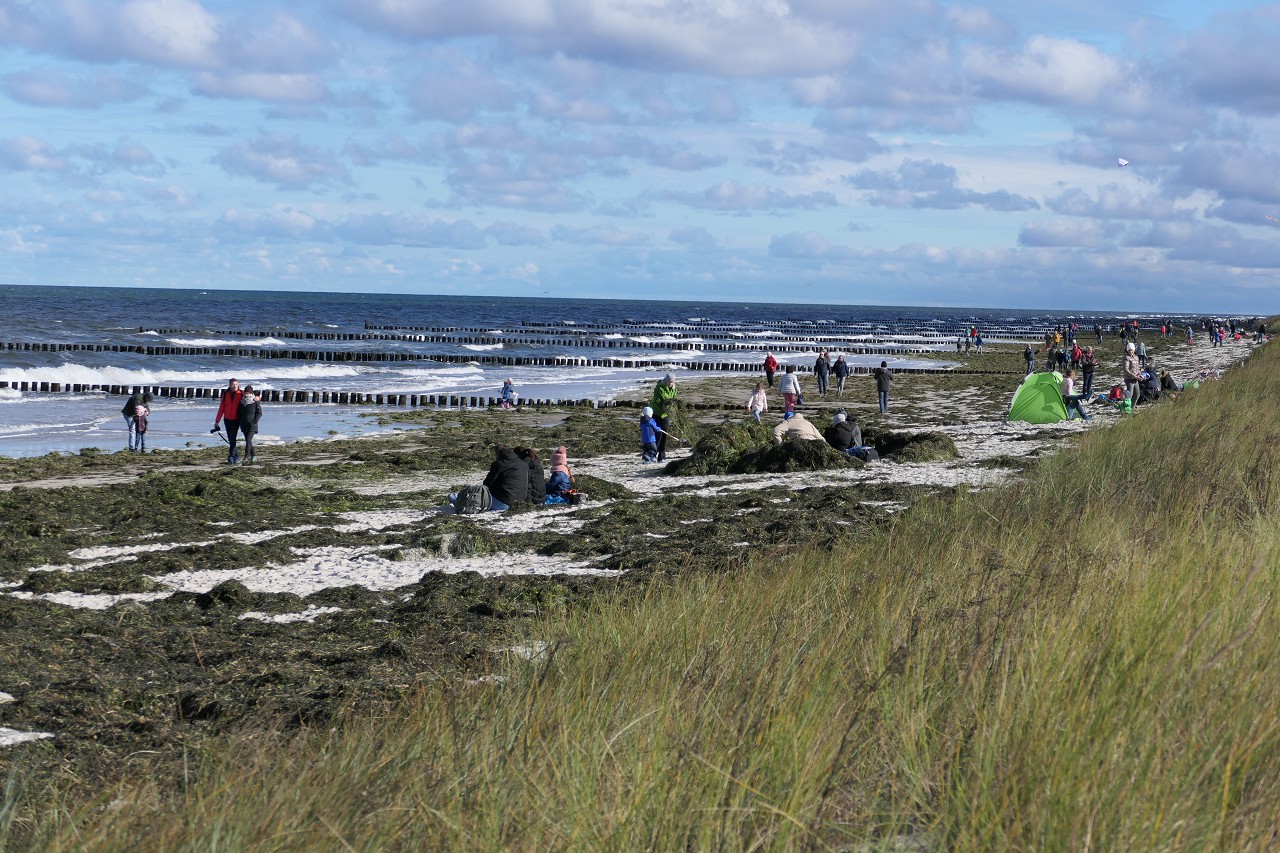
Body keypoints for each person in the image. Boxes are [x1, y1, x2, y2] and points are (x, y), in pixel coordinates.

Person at [213, 378, 243, 464]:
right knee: (231, 438)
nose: (235, 386)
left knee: (232, 437)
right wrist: (217, 421)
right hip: (227, 419)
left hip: (236, 420)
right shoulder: (226, 394)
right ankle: (236, 455)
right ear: (230, 385)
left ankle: (231, 456)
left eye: (236, 384)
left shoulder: (241, 394)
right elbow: (222, 407)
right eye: (233, 384)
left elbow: (248, 403)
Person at [651, 373, 678, 462]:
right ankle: (653, 455)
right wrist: (666, 404)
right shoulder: (659, 388)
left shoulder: (674, 389)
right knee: (658, 435)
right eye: (669, 382)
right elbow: (659, 401)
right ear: (665, 381)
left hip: (666, 415)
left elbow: (674, 398)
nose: (670, 384)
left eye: (672, 382)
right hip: (657, 413)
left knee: (665, 435)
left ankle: (662, 456)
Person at [236, 384, 262, 464]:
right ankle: (253, 456)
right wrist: (240, 423)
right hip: (244, 425)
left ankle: (246, 456)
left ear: (251, 393)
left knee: (248, 440)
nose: (246, 394)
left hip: (252, 426)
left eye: (248, 393)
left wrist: (254, 422)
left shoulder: (255, 402)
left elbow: (259, 413)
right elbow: (239, 413)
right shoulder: (242, 402)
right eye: (245, 393)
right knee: (248, 441)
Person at [1122, 342, 1142, 408]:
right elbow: (1126, 370)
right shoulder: (1126, 358)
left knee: (1137, 395)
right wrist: (1135, 376)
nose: (1131, 351)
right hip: (1129, 379)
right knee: (1129, 395)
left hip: (1136, 378)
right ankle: (1126, 408)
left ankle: (1132, 408)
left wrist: (1140, 374)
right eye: (1130, 350)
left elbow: (1137, 368)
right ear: (1127, 350)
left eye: (1132, 350)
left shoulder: (1136, 357)